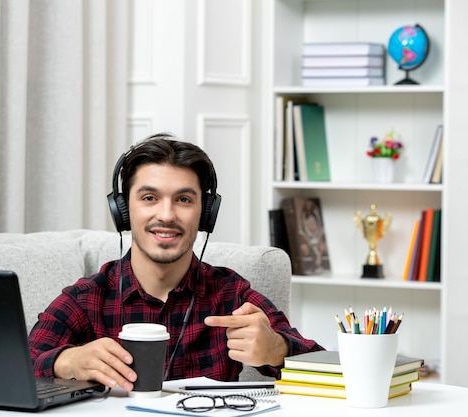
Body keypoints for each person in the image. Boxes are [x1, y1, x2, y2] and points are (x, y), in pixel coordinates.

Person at [28, 133, 323, 393]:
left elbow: (326, 369)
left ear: (205, 214)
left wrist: (277, 349)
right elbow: (17, 364)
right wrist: (68, 361)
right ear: (123, 210)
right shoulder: (87, 299)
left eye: (183, 200)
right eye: (149, 198)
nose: (166, 215)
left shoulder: (232, 295)